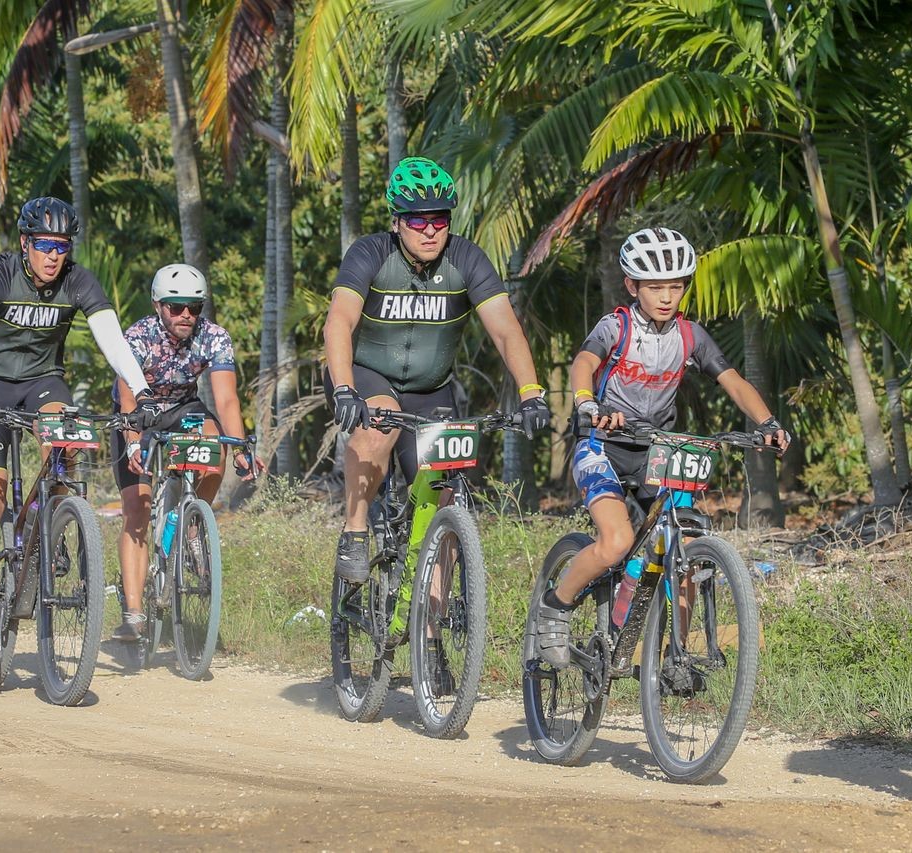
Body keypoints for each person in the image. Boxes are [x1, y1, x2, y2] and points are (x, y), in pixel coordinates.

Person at [534, 226, 790, 668]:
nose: (667, 296)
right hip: (603, 445)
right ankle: (555, 608)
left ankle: (678, 652)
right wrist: (586, 404)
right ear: (632, 286)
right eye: (655, 287)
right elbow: (584, 362)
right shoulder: (617, 326)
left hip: (659, 452)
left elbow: (732, 381)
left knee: (685, 546)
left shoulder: (690, 336)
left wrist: (766, 422)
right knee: (616, 543)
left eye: (676, 286)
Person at [322, 156, 551, 584]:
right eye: (417, 220)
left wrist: (531, 392)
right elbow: (340, 321)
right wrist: (343, 389)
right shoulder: (369, 253)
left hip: (431, 390)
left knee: (446, 498)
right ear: (396, 222)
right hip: (366, 375)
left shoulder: (467, 258)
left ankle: (429, 633)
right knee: (379, 427)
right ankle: (355, 530)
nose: (430, 230)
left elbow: (506, 331)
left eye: (440, 219)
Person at [0, 196, 159, 656]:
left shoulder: (78, 281)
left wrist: (142, 390)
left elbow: (112, 339)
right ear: (26, 243)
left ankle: (45, 521)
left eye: (62, 246)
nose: (53, 255)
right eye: (45, 244)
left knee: (67, 448)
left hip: (44, 384)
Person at [111, 263, 261, 641]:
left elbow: (226, 398)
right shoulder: (139, 335)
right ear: (158, 305)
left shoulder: (213, 336)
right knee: (137, 509)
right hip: (139, 412)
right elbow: (126, 392)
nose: (186, 315)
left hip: (182, 409)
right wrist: (132, 439)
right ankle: (132, 612)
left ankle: (193, 520)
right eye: (176, 307)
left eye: (194, 307)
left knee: (216, 448)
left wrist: (240, 447)